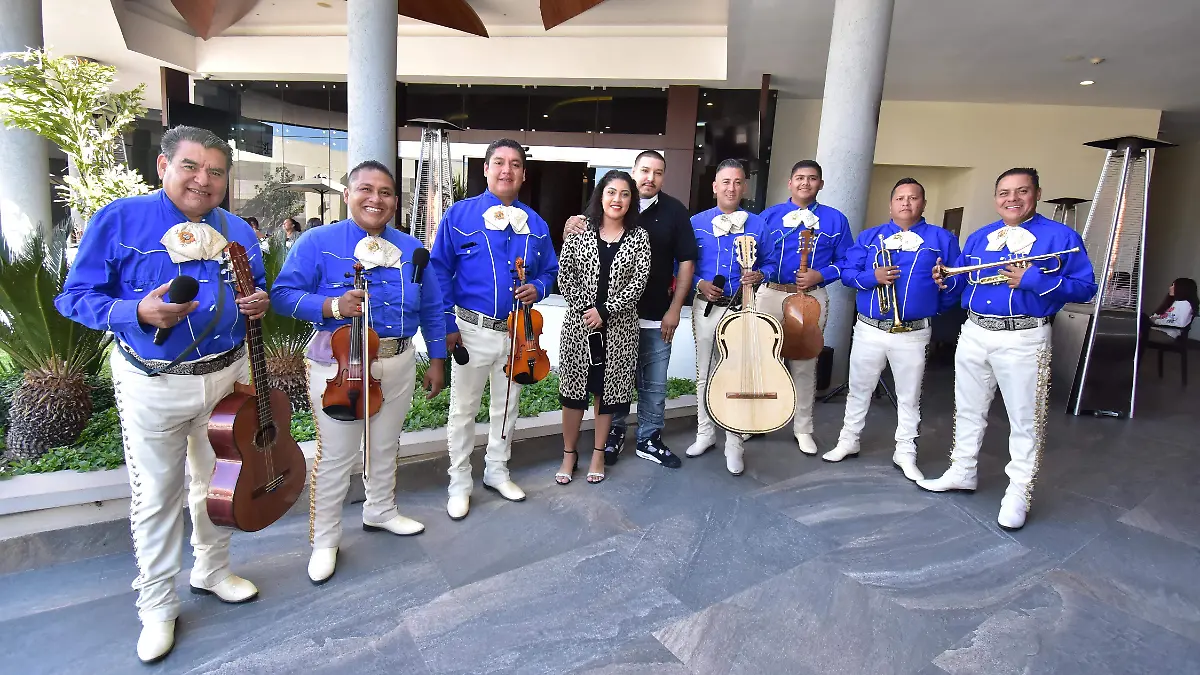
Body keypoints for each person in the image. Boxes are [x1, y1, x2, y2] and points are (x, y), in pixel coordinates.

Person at [54, 126, 269, 664]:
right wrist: (136, 311)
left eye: (216, 171)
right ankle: (156, 605)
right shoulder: (120, 220)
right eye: (191, 167)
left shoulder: (238, 230)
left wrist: (257, 303)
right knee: (156, 496)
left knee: (220, 481)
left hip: (225, 376)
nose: (204, 180)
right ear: (163, 166)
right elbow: (74, 296)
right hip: (152, 381)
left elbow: (255, 288)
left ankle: (213, 568)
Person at [269, 160, 446, 585]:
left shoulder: (411, 249)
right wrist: (331, 307)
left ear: (396, 202)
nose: (375, 199)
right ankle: (325, 539)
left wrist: (437, 358)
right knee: (337, 456)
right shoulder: (317, 241)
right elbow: (281, 295)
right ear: (348, 195)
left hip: (398, 359)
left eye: (385, 192)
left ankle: (380, 509)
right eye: (365, 189)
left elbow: (432, 307)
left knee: (386, 444)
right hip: (339, 364)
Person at [918, 167, 1097, 530]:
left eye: (1021, 191)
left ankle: (1019, 492)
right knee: (968, 410)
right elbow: (964, 285)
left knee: (1025, 420)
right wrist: (944, 281)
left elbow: (1085, 289)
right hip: (974, 333)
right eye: (1004, 192)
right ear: (995, 197)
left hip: (1023, 338)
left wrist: (1032, 278)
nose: (1011, 199)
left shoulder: (1061, 236)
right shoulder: (981, 237)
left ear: (1037, 193)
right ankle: (962, 470)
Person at [429, 139, 559, 520]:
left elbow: (550, 270)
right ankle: (459, 483)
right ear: (485, 169)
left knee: (507, 407)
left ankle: (497, 471)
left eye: (515, 164)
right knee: (463, 410)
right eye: (499, 163)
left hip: (520, 333)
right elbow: (439, 271)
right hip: (472, 330)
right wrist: (448, 324)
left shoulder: (536, 224)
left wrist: (541, 286)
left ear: (523, 173)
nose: (507, 170)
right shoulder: (459, 215)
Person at [562, 151, 697, 469]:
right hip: (600, 324)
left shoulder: (674, 212)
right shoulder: (601, 214)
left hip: (652, 315)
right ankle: (612, 436)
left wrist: (675, 309)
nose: (651, 177)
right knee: (610, 384)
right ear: (634, 172)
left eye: (658, 172)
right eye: (645, 170)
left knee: (653, 385)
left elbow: (686, 262)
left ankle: (649, 439)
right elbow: (573, 264)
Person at [820, 178, 962, 481]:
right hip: (870, 328)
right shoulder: (871, 236)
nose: (906, 203)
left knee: (909, 396)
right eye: (900, 198)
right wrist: (873, 276)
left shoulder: (941, 239)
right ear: (891, 204)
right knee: (859, 389)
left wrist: (938, 300)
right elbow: (847, 274)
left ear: (923, 203)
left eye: (913, 198)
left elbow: (955, 282)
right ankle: (848, 440)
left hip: (913, 332)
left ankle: (906, 450)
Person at [555, 171, 652, 484]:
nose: (617, 200)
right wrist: (588, 310)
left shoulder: (639, 237)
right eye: (611, 192)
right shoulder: (580, 231)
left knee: (606, 394)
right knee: (572, 394)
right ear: (601, 196)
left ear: (631, 200)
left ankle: (598, 452)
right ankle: (569, 454)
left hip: (619, 332)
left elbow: (639, 283)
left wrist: (605, 311)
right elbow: (564, 275)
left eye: (625, 194)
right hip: (579, 328)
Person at [685, 159, 776, 475]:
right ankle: (704, 434)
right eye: (725, 181)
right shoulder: (695, 223)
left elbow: (774, 263)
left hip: (743, 308)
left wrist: (760, 274)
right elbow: (679, 266)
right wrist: (699, 283)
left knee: (737, 377)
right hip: (706, 307)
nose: (731, 187)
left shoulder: (758, 224)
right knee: (705, 373)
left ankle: (734, 444)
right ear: (714, 186)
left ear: (744, 187)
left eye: (737, 182)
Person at [757, 160, 852, 456]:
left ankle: (803, 428)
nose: (805, 183)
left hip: (811, 297)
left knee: (804, 364)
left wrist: (821, 274)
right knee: (763, 361)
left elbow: (848, 261)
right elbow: (756, 256)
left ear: (821, 184)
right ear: (790, 183)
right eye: (799, 178)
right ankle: (756, 422)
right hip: (771, 294)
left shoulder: (835, 220)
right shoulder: (768, 217)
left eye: (812, 178)